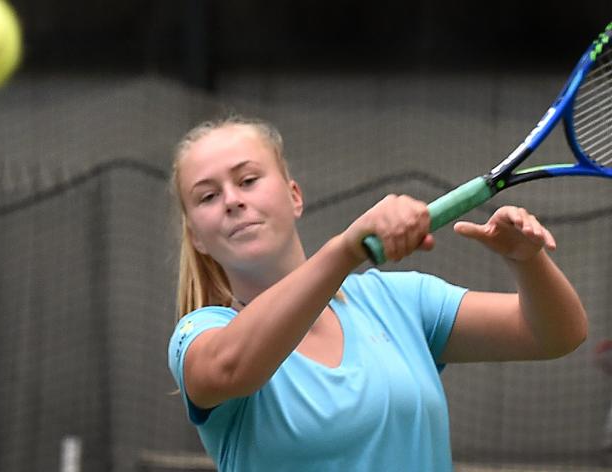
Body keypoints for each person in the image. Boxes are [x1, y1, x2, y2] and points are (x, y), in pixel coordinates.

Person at [166, 115, 588, 471]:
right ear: (196, 238)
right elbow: (229, 370)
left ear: (294, 197)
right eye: (207, 196)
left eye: (248, 179)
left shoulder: (399, 301)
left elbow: (557, 334)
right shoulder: (201, 335)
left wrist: (527, 261)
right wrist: (345, 249)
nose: (232, 201)